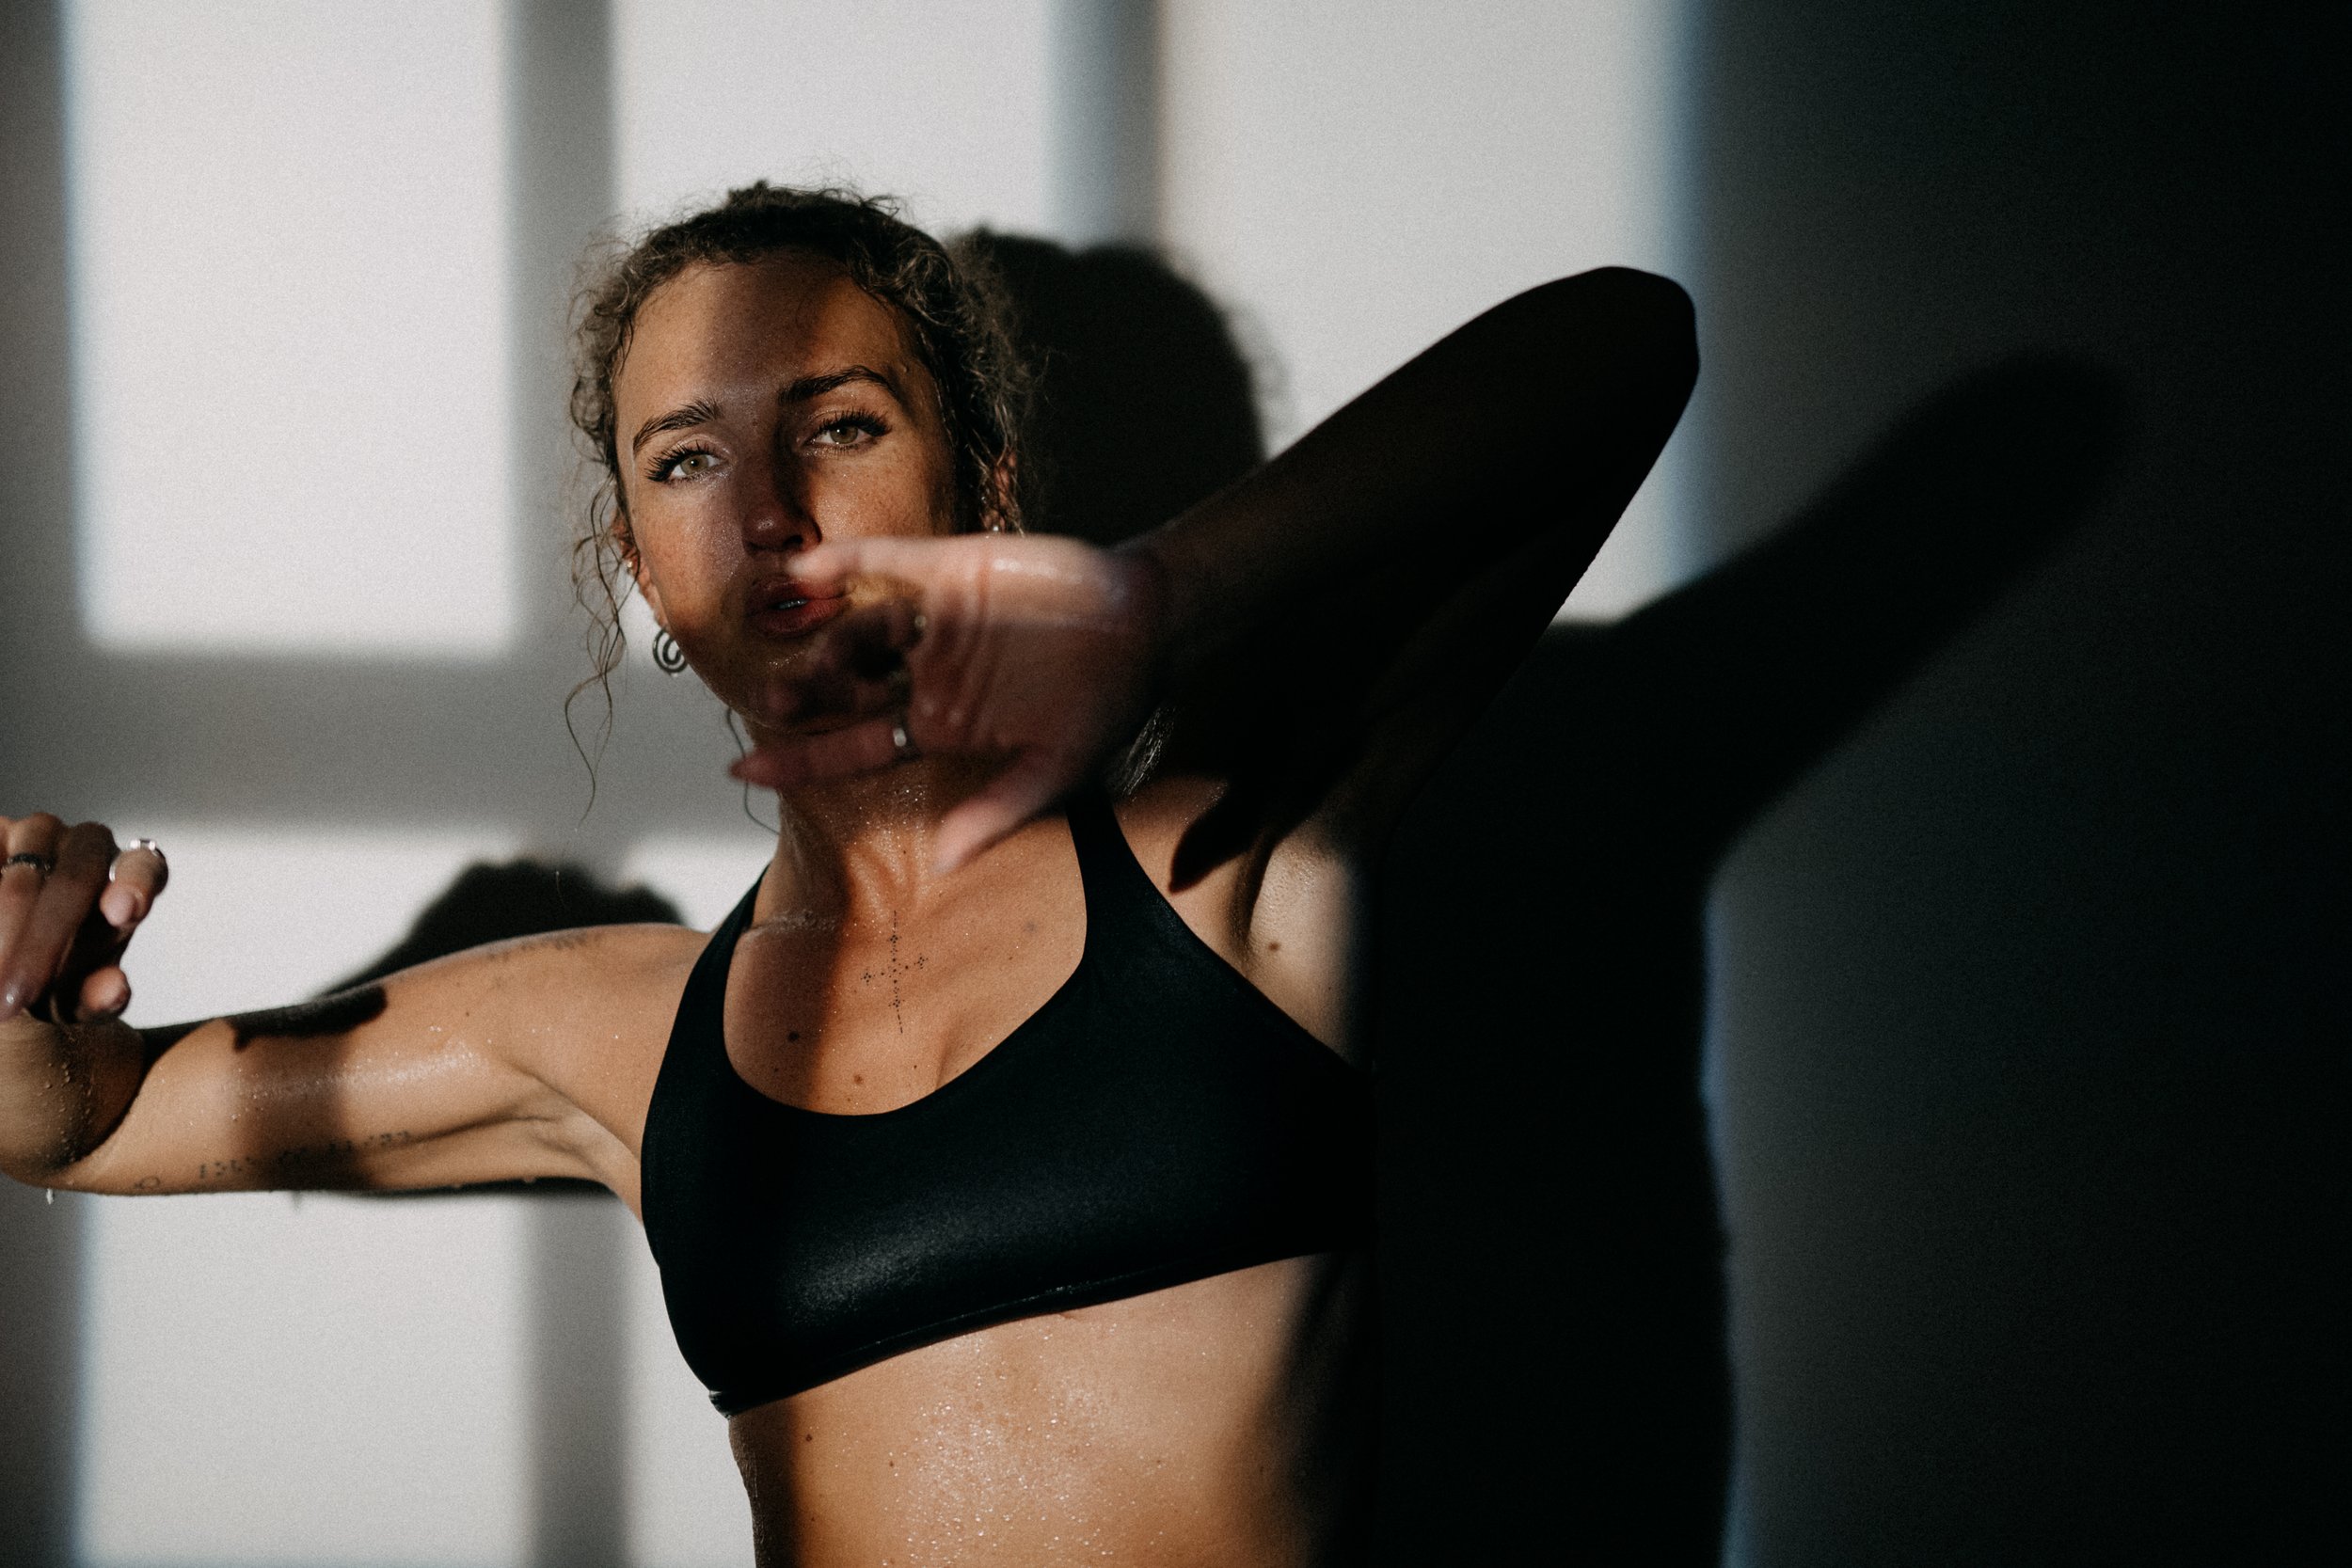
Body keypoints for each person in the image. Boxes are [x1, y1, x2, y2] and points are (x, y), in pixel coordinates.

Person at [0, 183, 1693, 1565]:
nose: (772, 512)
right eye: (685, 458)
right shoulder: (614, 1033)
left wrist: (1159, 595)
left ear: (986, 484)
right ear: (641, 571)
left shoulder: (1220, 866)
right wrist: (15, 1001)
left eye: (845, 424)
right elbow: (76, 1120)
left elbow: (1625, 344)